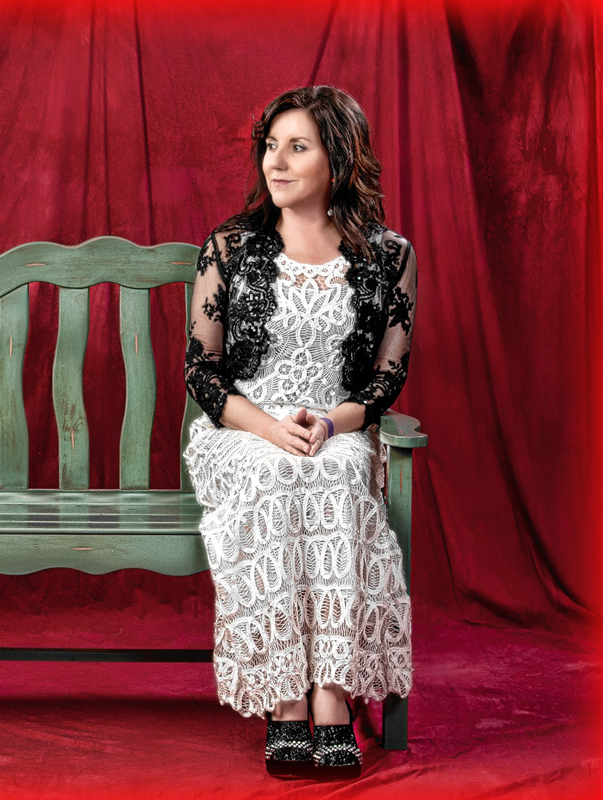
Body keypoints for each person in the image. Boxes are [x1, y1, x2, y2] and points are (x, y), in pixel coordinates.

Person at [183, 85, 416, 773]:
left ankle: (331, 695)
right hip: (242, 429)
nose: (275, 162)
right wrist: (267, 427)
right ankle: (285, 700)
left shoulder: (389, 255)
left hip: (335, 426)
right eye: (269, 146)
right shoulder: (231, 246)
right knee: (277, 471)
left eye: (297, 147)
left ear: (338, 159)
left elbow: (387, 377)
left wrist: (332, 423)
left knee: (337, 473)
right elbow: (202, 371)